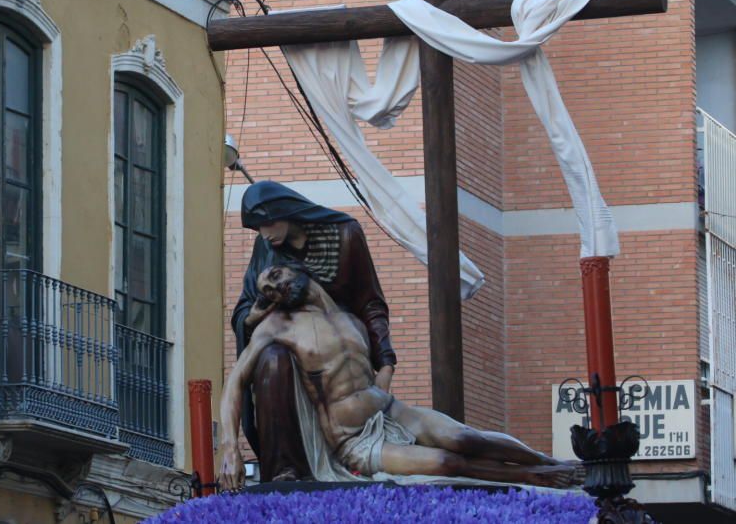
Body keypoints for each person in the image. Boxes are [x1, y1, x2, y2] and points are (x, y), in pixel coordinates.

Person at [219, 264, 577, 491]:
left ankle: (547, 462)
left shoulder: (350, 319)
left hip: (389, 410)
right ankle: (531, 477)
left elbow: (376, 365)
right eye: (267, 290)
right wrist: (230, 447)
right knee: (444, 462)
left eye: (276, 276)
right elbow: (235, 381)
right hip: (355, 441)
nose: (274, 289)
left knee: (465, 437)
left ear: (298, 271)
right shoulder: (278, 326)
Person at [234, 180, 396, 482]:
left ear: (284, 209)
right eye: (258, 229)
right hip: (288, 338)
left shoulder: (346, 234)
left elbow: (370, 302)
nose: (265, 234)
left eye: (267, 223)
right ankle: (287, 470)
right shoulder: (265, 247)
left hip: (340, 341)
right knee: (271, 359)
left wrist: (385, 363)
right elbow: (246, 306)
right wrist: (250, 318)